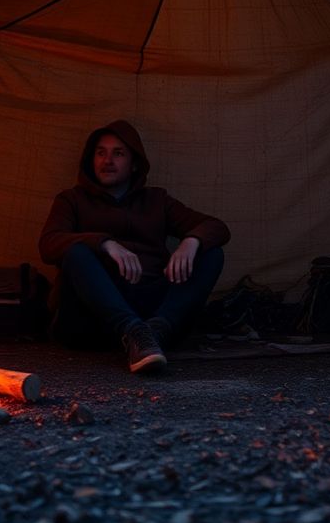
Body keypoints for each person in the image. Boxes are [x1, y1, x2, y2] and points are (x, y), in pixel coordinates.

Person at [38, 120, 230, 372]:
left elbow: (217, 226)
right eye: (101, 152)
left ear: (134, 163)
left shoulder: (156, 200)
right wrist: (105, 243)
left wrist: (191, 241)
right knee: (76, 252)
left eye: (118, 153)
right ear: (90, 159)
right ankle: (133, 332)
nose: (108, 160)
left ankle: (152, 332)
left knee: (211, 253)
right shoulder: (72, 200)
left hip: (153, 313)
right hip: (93, 319)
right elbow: (48, 244)